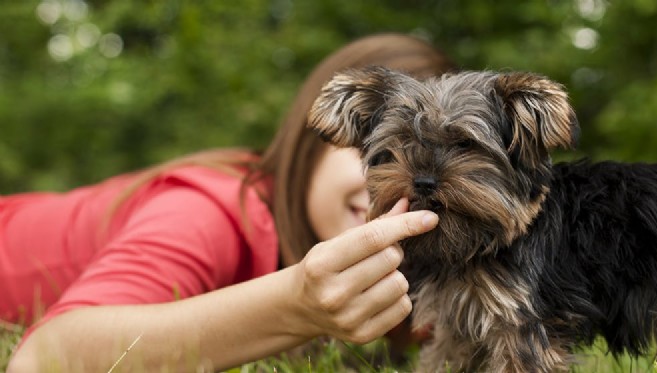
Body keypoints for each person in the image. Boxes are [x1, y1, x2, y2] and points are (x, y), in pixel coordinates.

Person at [3, 33, 456, 372]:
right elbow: (44, 358)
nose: (402, 187)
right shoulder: (210, 209)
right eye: (375, 149)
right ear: (312, 137)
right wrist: (295, 305)